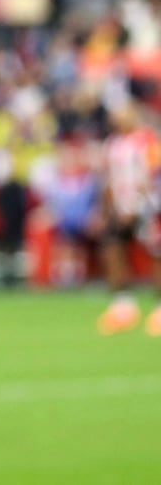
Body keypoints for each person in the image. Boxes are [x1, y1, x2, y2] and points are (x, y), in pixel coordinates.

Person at [94, 97, 161, 335]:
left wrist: (141, 205)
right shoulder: (112, 144)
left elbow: (154, 175)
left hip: (148, 208)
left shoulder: (148, 141)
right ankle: (123, 307)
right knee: (112, 248)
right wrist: (105, 209)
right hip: (119, 208)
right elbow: (108, 179)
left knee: (155, 254)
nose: (117, 118)